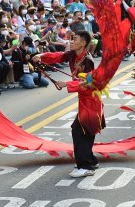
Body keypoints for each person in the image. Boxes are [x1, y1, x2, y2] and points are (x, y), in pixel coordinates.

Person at [33, 31, 102, 178]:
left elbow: (90, 82)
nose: (71, 41)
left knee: (80, 130)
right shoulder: (71, 54)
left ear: (83, 43)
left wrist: (67, 83)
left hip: (91, 99)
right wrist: (42, 56)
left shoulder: (87, 61)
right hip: (83, 98)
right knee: (84, 130)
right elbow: (57, 56)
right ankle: (90, 160)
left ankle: (86, 166)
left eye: (74, 39)